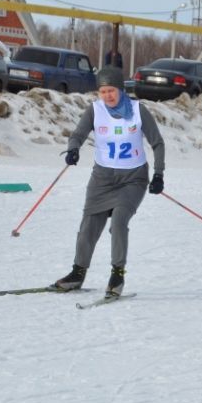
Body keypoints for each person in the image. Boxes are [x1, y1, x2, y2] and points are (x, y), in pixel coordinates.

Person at [53, 67, 165, 297]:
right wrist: (73, 150)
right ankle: (78, 273)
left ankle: (117, 274)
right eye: (103, 91)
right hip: (102, 179)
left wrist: (159, 174)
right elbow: (77, 135)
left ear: (121, 90)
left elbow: (158, 143)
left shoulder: (137, 110)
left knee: (119, 222)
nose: (107, 96)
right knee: (88, 226)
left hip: (133, 179)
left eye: (111, 90)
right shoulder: (94, 111)